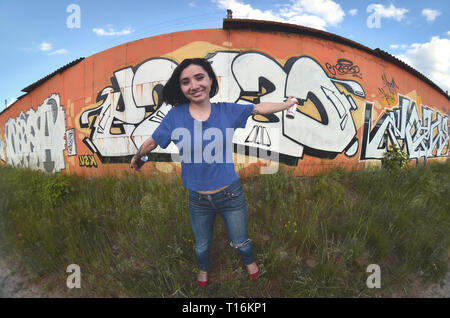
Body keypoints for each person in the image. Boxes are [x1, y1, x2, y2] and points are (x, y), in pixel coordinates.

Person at [130, 57, 297, 287]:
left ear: (210, 80)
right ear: (181, 88)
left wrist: (286, 105)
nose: (194, 85)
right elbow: (153, 142)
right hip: (197, 199)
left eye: (199, 77)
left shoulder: (227, 111)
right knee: (201, 245)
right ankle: (204, 268)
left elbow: (258, 108)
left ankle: (249, 262)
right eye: (186, 81)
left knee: (241, 241)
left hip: (230, 195)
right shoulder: (175, 116)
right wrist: (139, 156)